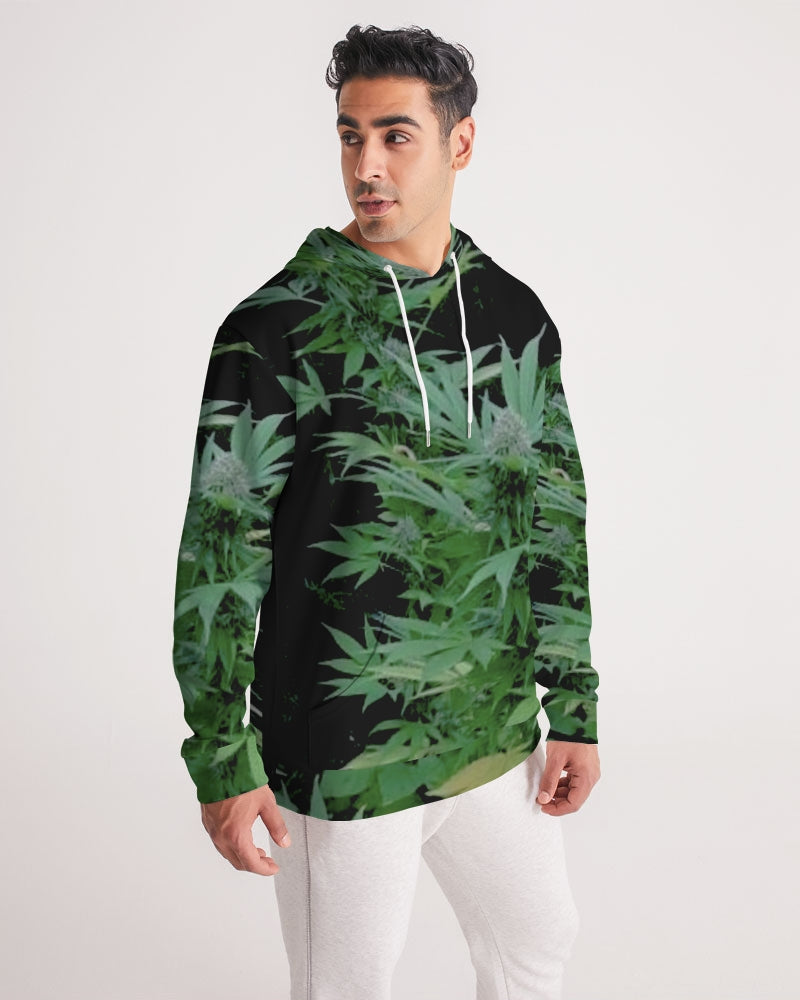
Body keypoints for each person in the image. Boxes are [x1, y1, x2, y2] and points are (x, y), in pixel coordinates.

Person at [171, 22, 601, 1000]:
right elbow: (219, 556)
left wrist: (572, 705)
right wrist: (222, 759)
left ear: (459, 142)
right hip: (343, 746)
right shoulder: (274, 329)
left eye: (395, 135)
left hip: (491, 730)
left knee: (537, 943)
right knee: (346, 987)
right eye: (349, 135)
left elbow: (551, 516)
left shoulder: (513, 317)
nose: (366, 165)